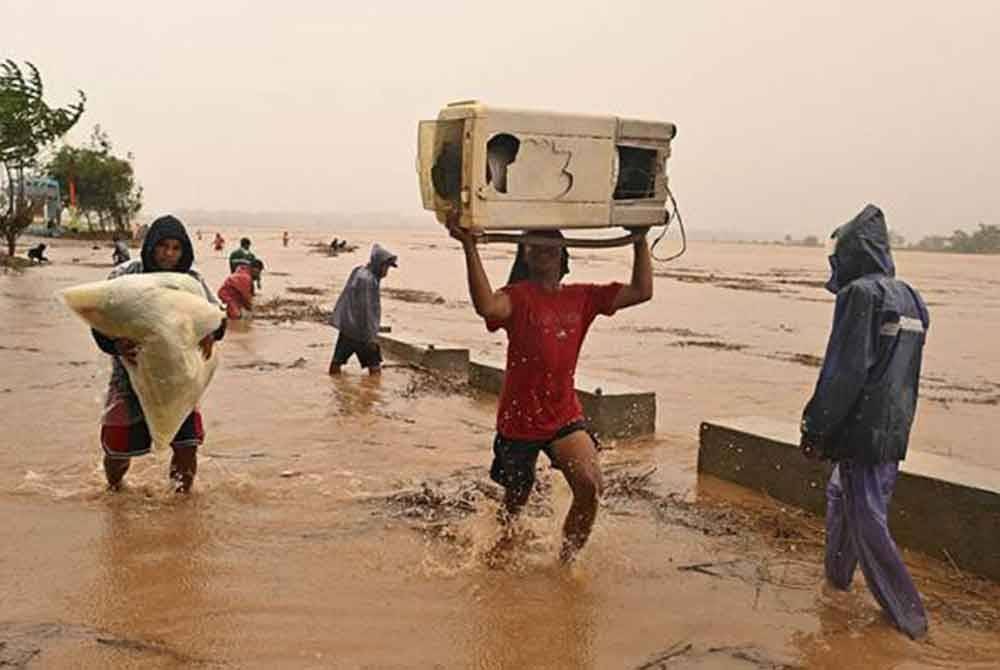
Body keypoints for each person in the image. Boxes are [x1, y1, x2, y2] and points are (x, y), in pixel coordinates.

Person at [448, 214, 652, 563]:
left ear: (563, 253)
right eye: (533, 244)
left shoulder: (584, 297)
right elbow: (486, 305)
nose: (542, 249)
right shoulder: (517, 297)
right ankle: (496, 555)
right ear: (525, 256)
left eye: (550, 242)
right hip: (518, 422)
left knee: (589, 487)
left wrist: (639, 239)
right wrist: (470, 246)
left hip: (563, 415)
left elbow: (641, 292)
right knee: (515, 507)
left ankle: (565, 565)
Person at [800, 204, 930, 639]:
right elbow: (904, 373)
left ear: (853, 254)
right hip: (894, 427)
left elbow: (845, 370)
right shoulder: (912, 297)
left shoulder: (860, 295)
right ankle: (836, 583)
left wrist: (815, 428)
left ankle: (908, 618)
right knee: (843, 498)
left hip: (860, 431)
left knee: (866, 517)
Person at [91, 215, 226, 493]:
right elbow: (98, 320)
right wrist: (115, 345)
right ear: (151, 245)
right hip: (129, 378)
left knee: (187, 446)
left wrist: (211, 332)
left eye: (176, 248)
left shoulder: (192, 280)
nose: (169, 254)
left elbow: (217, 317)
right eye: (163, 246)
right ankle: (115, 496)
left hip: (178, 380)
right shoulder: (125, 275)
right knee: (118, 451)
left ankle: (181, 508)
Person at [328, 243, 398, 376]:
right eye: (386, 267)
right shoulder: (368, 280)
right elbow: (366, 310)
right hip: (361, 331)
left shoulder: (360, 271)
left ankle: (337, 391)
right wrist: (371, 336)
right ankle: (371, 395)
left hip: (347, 326)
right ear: (380, 264)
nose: (386, 271)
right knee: (375, 370)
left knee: (336, 364)